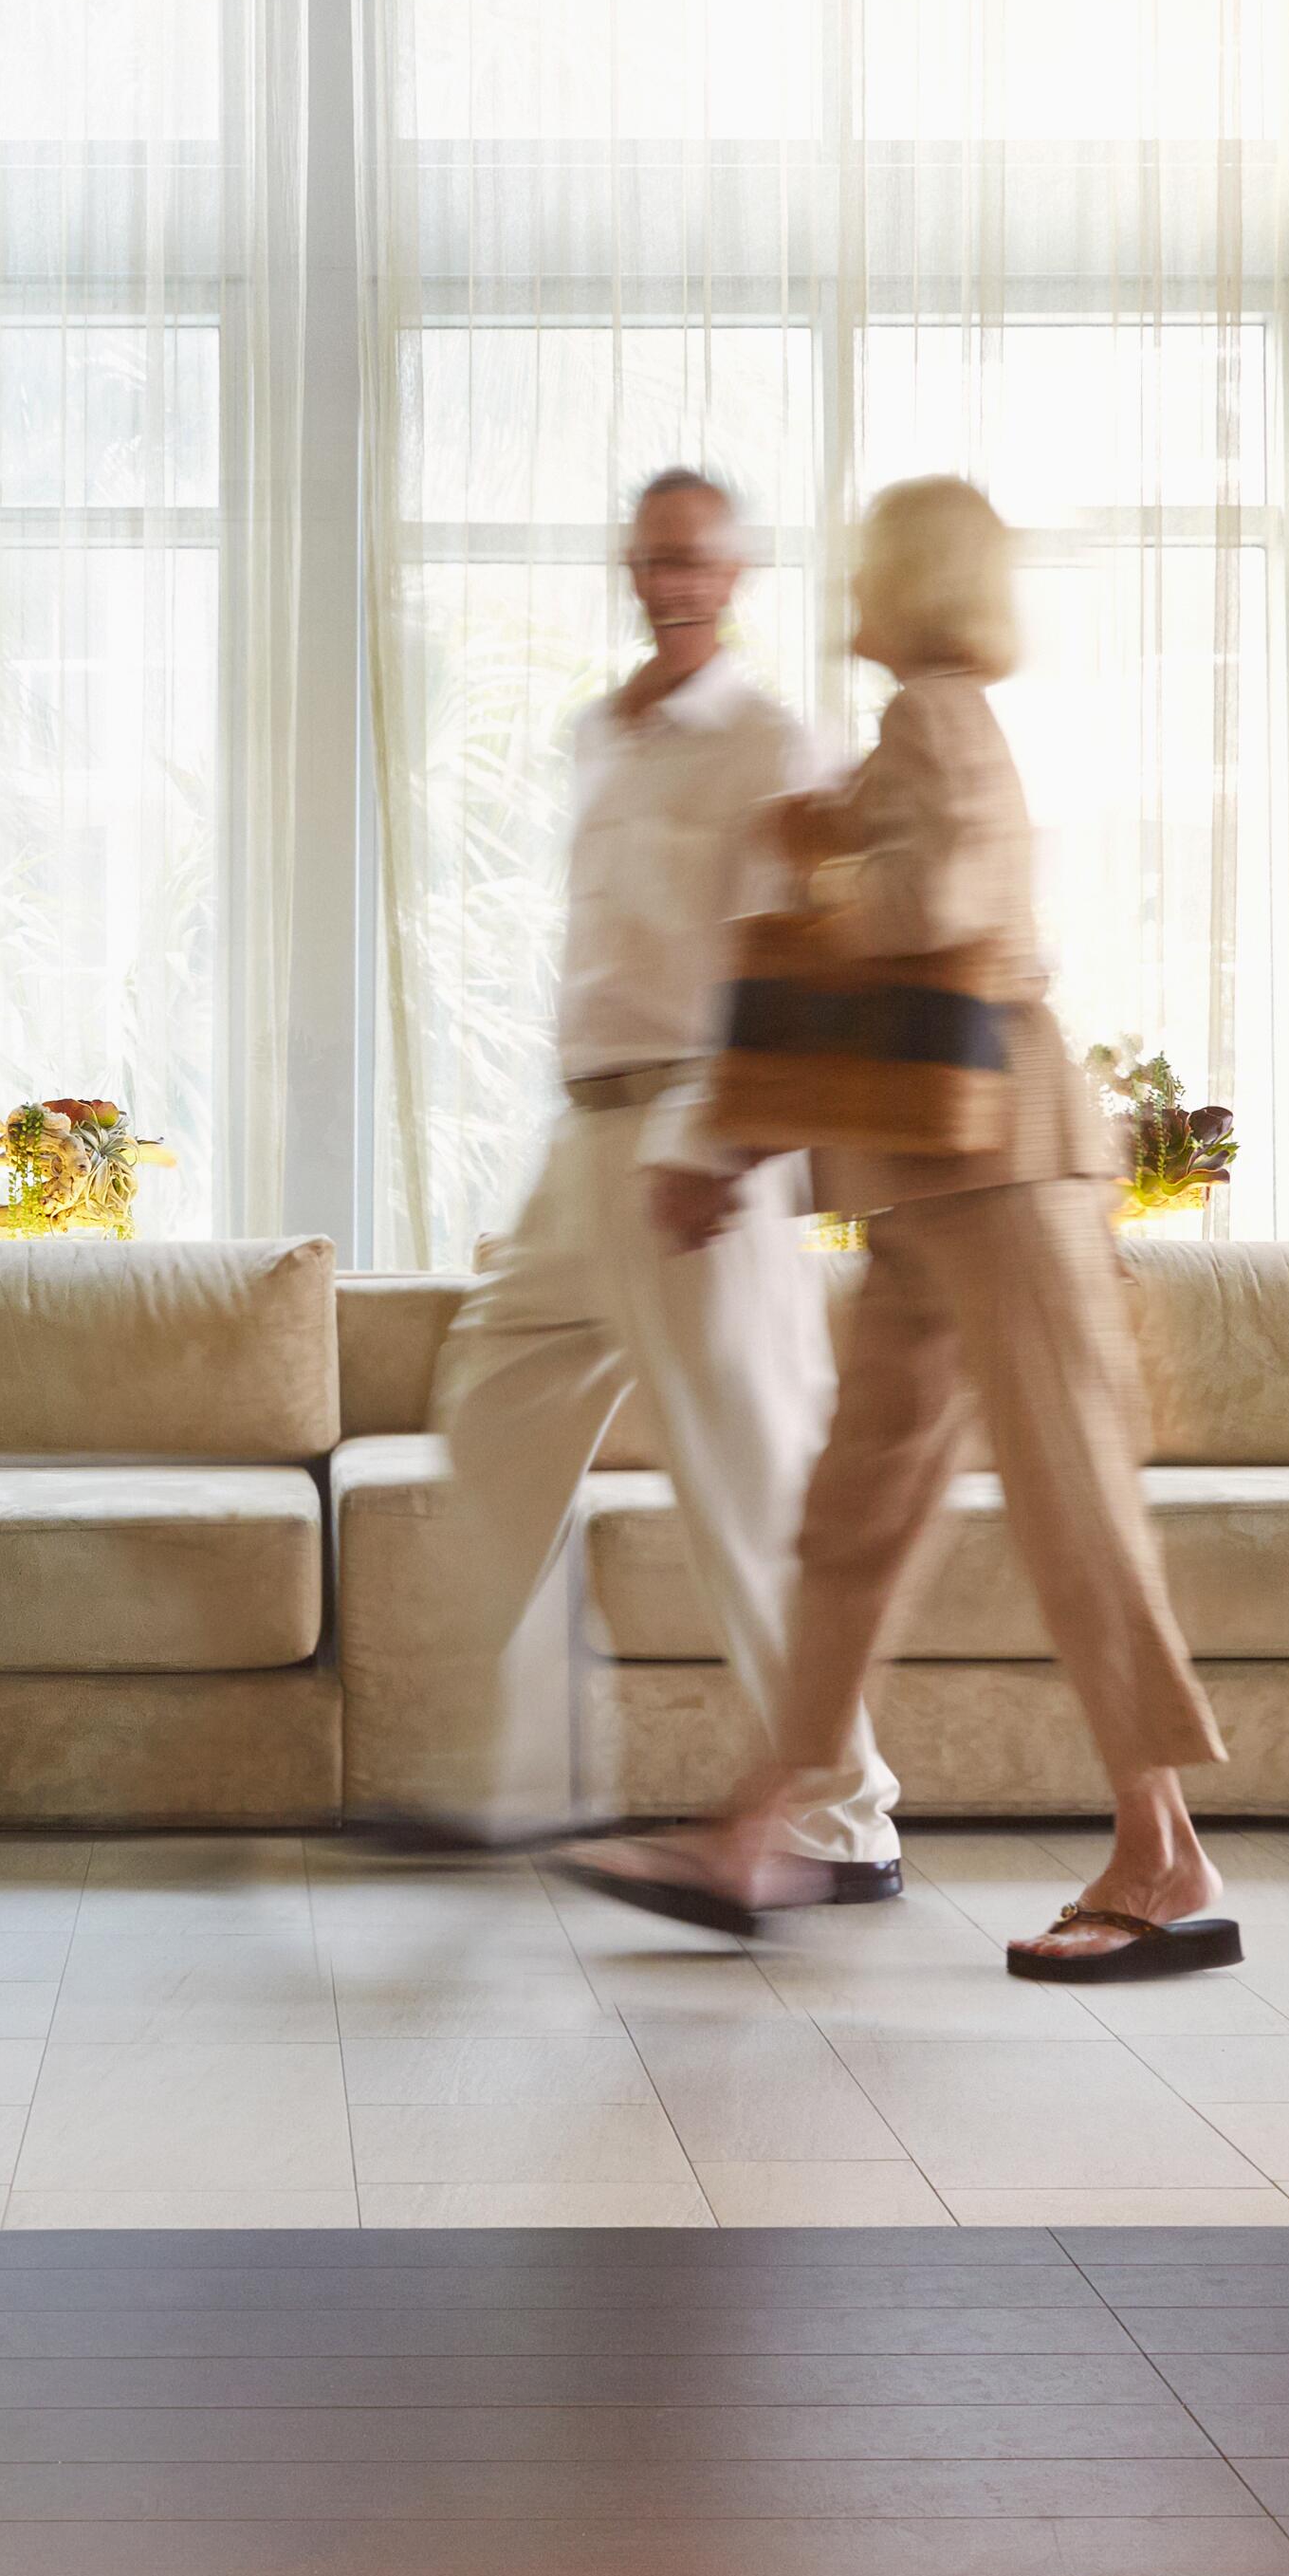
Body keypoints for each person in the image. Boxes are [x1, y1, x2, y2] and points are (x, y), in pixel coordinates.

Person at [554, 474, 1240, 1982]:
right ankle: (758, 1825)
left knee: (1071, 1509)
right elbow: (882, 922)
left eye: (865, 560)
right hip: (930, 1188)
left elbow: (937, 902)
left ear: (908, 578)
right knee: (852, 1518)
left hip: (1006, 1175)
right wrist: (815, 842)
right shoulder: (908, 732)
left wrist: (824, 872)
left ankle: (1165, 1850)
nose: (841, 584)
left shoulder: (936, 711)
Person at [371, 469, 907, 1891]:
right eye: (653, 557)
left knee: (751, 1484)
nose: (672, 580)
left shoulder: (772, 742)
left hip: (697, 1147)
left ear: (735, 575)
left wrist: (720, 1143)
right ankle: (535, 1779)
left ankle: (844, 1818)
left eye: (697, 560)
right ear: (629, 564)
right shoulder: (597, 738)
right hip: (584, 1140)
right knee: (490, 1400)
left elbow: (791, 966)